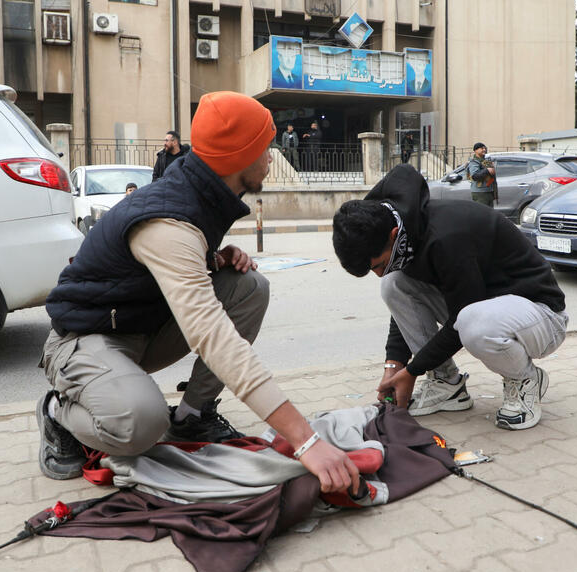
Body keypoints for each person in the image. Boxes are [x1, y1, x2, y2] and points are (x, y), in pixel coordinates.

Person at [38, 91, 359, 496]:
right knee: (140, 423)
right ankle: (57, 413)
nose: (271, 157)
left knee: (248, 287)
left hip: (141, 327)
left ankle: (190, 417)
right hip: (84, 339)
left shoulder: (200, 191)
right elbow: (213, 337)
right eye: (265, 147)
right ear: (239, 156)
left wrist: (211, 258)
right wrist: (305, 441)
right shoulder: (168, 221)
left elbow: (168, 267)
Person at [332, 164, 568, 430]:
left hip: (542, 316)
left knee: (472, 323)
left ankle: (525, 379)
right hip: (484, 308)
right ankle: (447, 384)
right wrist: (394, 367)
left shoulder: (446, 238)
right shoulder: (406, 233)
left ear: (393, 235)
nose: (378, 273)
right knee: (393, 283)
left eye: (378, 265)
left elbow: (460, 318)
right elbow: (406, 307)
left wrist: (412, 371)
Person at [465, 142, 497, 208]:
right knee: (482, 212)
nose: (484, 150)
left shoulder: (486, 161)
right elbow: (475, 176)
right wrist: (487, 170)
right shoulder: (474, 162)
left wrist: (494, 192)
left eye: (485, 148)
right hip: (480, 193)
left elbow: (492, 177)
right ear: (475, 150)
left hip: (488, 191)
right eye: (482, 148)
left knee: (489, 212)